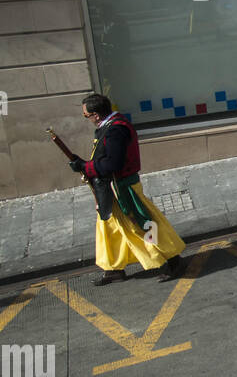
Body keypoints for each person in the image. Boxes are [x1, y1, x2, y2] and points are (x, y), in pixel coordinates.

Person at [71, 93, 186, 286]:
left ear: (96, 115)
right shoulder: (109, 126)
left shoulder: (116, 130)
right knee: (109, 228)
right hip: (110, 188)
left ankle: (172, 259)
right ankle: (113, 268)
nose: (87, 119)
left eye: (86, 115)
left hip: (122, 187)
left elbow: (113, 164)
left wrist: (86, 167)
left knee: (143, 225)